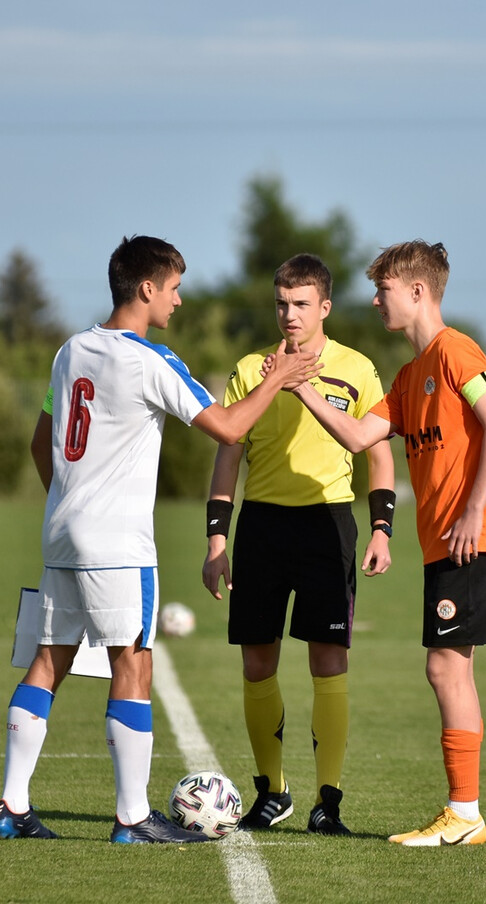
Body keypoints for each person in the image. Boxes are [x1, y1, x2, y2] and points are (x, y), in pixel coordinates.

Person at [0, 235, 320, 844]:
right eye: (174, 287)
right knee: (134, 664)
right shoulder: (150, 360)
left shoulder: (70, 351)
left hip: (61, 536)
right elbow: (226, 427)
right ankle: (131, 818)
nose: (178, 299)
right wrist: (277, 378)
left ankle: (9, 806)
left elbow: (42, 443)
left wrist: (68, 502)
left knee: (48, 661)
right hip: (117, 546)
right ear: (146, 289)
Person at [275, 240, 486, 846]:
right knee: (448, 670)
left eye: (383, 289)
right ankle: (464, 812)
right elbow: (359, 437)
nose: (375, 299)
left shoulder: (455, 351)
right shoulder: (411, 377)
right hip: (446, 544)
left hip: (472, 537)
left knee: (445, 669)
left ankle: (464, 814)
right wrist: (301, 389)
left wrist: (474, 509)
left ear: (417, 292)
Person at [202, 253, 395, 836]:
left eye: (302, 303)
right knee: (257, 661)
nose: (289, 314)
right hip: (261, 527)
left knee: (327, 661)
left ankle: (327, 801)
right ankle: (273, 790)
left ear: (325, 308)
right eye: (282, 303)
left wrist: (382, 527)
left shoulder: (356, 369)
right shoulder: (249, 369)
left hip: (328, 526)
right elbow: (227, 457)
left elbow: (379, 452)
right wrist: (217, 540)